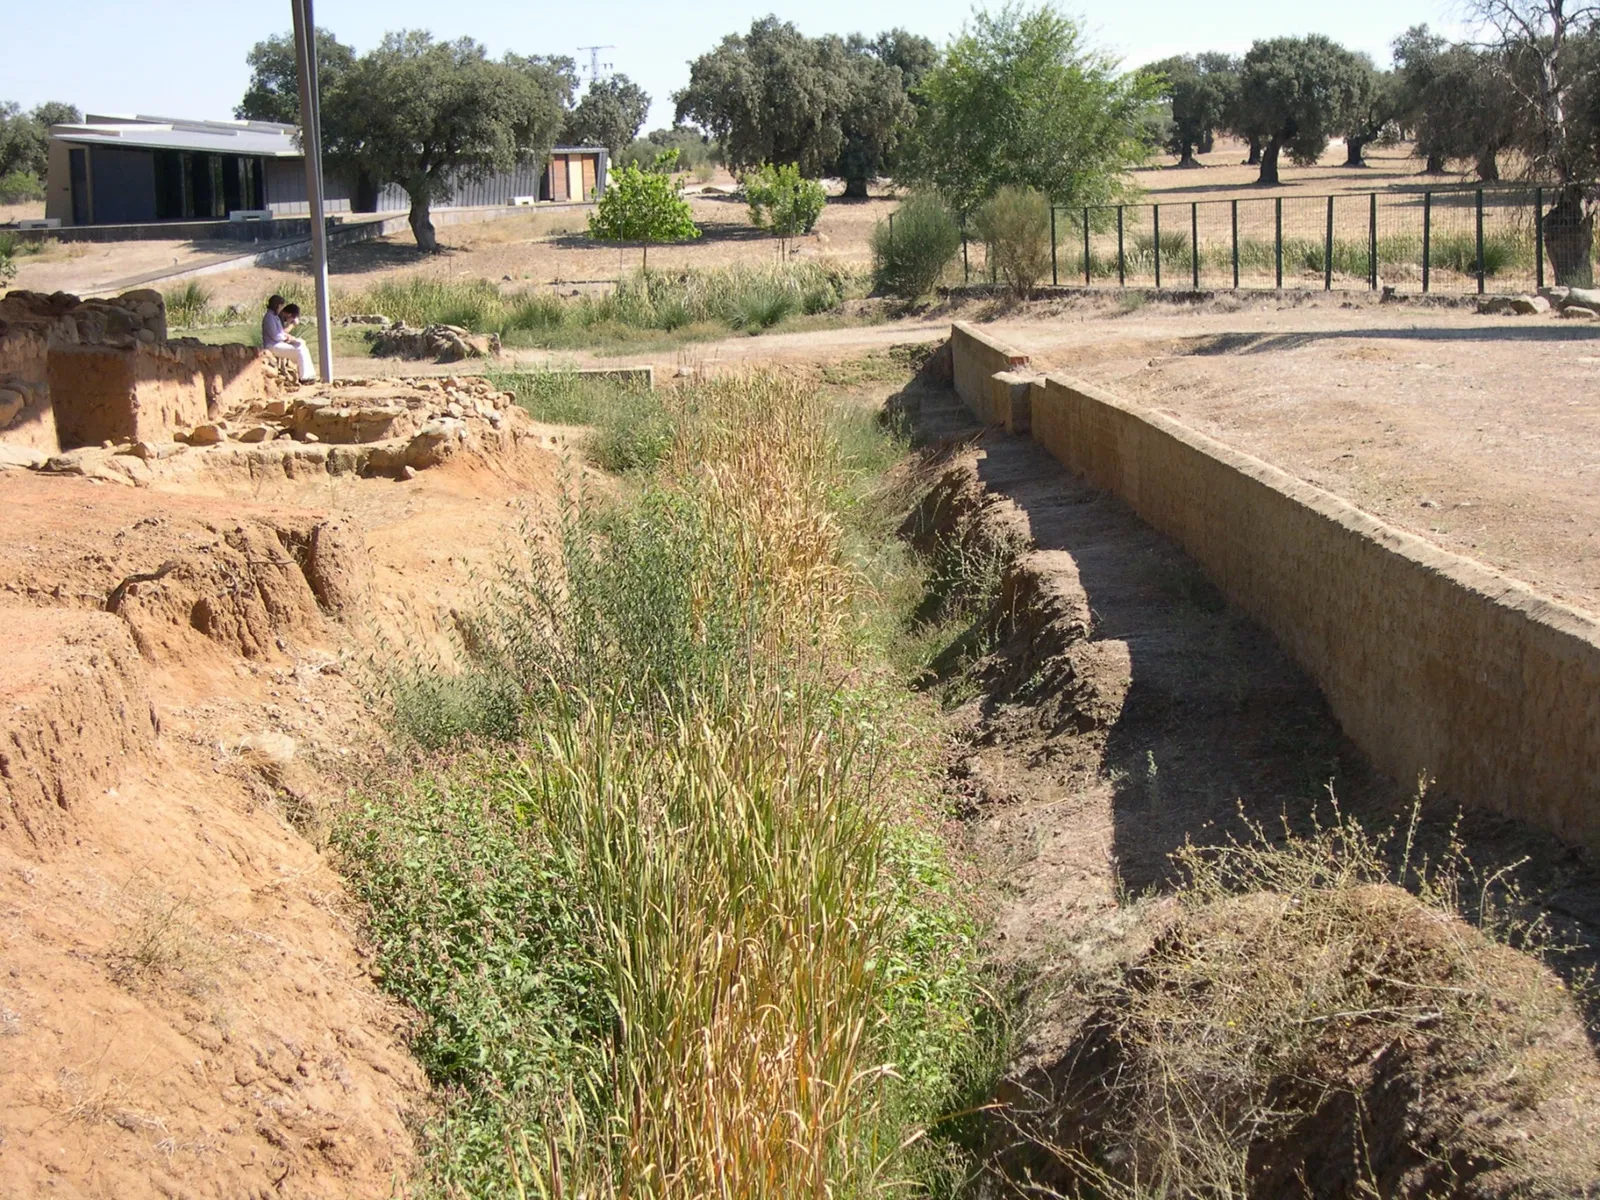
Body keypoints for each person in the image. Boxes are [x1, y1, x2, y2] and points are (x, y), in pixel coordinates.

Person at [261, 294, 314, 382]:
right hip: (273, 345)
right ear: (277, 306)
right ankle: (304, 377)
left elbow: (280, 332)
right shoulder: (269, 318)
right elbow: (276, 336)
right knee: (299, 350)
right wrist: (287, 339)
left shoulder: (274, 317)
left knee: (302, 346)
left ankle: (309, 375)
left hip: (278, 343)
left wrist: (289, 337)